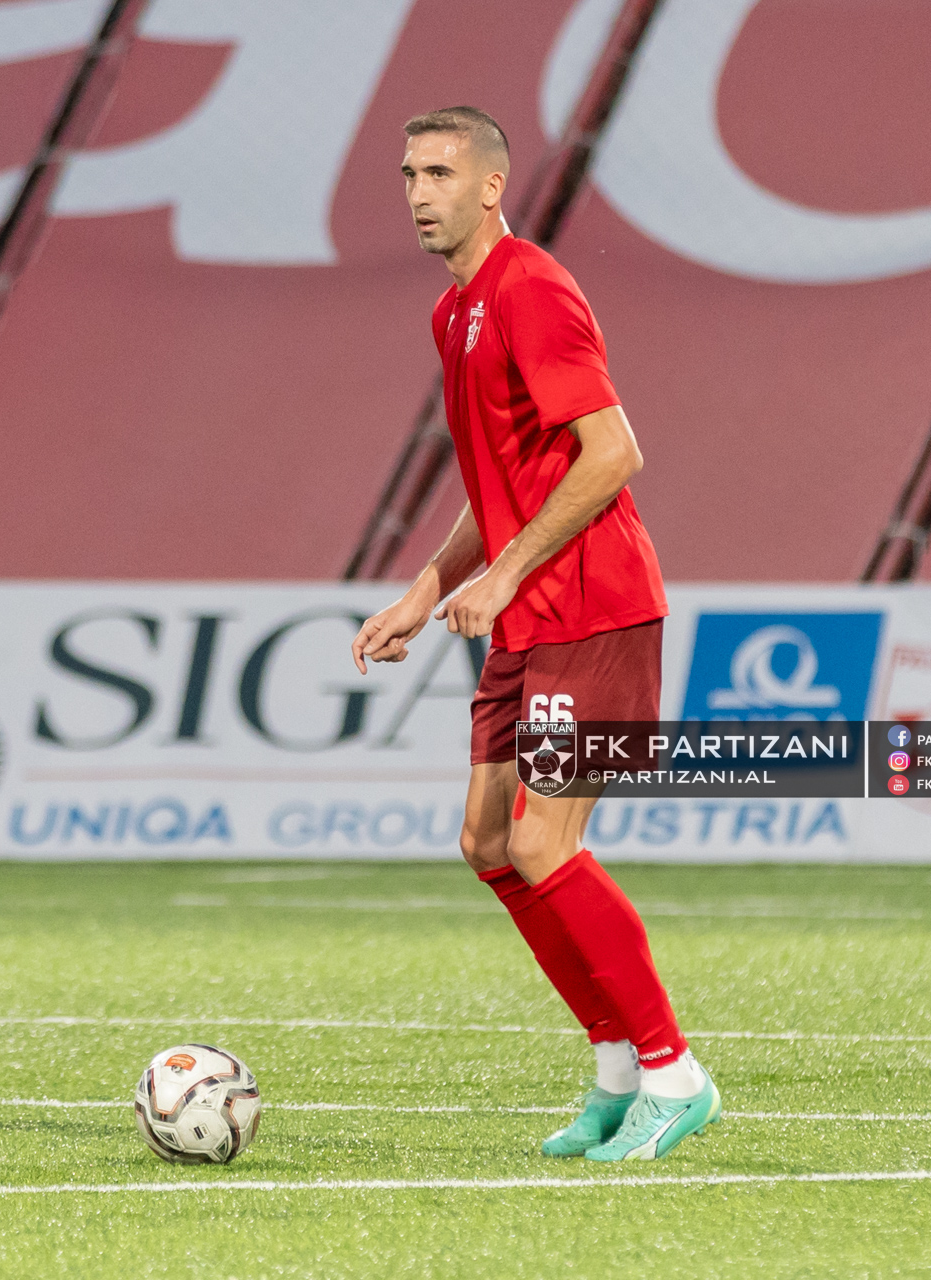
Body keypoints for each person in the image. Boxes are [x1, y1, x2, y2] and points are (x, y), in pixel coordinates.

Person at [351, 106, 720, 1161]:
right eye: (408, 173)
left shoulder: (532, 288)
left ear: (491, 187)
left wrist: (507, 571)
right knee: (487, 843)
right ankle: (616, 1070)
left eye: (439, 173)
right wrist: (428, 587)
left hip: (594, 606)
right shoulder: (454, 311)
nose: (419, 192)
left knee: (544, 842)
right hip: (528, 616)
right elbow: (501, 481)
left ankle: (674, 1073)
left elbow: (612, 451)